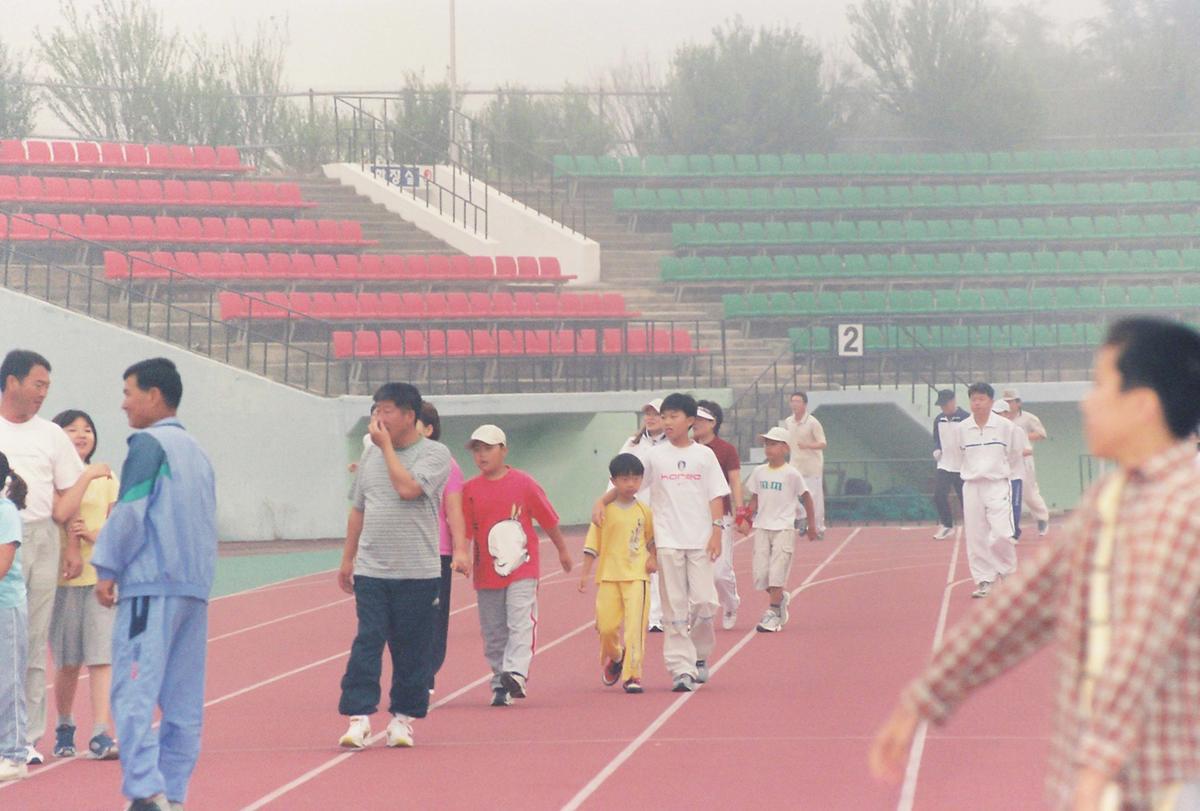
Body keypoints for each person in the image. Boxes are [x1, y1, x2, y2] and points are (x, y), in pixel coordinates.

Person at [870, 317, 1200, 811]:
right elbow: (1024, 604)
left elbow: (1141, 645)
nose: (1085, 402)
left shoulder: (1182, 507)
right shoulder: (1111, 497)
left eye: (1099, 386)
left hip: (1163, 785)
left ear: (1142, 405)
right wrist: (926, 695)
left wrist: (1097, 767)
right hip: (1104, 782)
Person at [91, 358, 217, 811]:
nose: (123, 404)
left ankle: (146, 790)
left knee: (131, 690)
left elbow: (129, 514)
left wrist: (106, 567)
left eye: (128, 393)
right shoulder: (198, 452)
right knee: (183, 703)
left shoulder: (148, 445)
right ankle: (174, 795)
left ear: (154, 396)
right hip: (194, 589)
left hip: (152, 588)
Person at [337, 383, 452, 751]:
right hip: (373, 570)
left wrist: (385, 447)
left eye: (387, 411)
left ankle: (403, 719)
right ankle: (359, 717)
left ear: (409, 415)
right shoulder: (370, 457)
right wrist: (347, 558)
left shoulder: (435, 454)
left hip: (417, 571)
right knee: (367, 641)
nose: (379, 418)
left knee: (411, 649)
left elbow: (408, 489)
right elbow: (359, 509)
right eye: (376, 411)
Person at [593, 392, 730, 693]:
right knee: (674, 607)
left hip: (700, 540)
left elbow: (716, 495)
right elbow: (629, 483)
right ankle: (681, 668)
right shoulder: (655, 456)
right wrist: (602, 501)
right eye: (664, 416)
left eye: (673, 416)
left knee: (706, 604)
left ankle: (700, 654)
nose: (667, 422)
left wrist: (717, 530)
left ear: (690, 421)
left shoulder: (704, 456)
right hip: (667, 540)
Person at [0, 349, 95, 765]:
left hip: (38, 536)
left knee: (31, 642)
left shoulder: (50, 436)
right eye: (38, 384)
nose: (43, 394)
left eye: (47, 388)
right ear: (12, 382)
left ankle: (26, 738)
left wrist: (71, 546)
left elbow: (68, 495)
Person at [462, 424, 573, 706]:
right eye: (477, 450)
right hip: (487, 572)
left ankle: (517, 673)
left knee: (520, 620)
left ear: (504, 450)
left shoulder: (523, 483)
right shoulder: (469, 490)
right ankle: (501, 681)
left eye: (488, 448)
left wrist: (562, 550)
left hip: (523, 569)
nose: (482, 455)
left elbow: (548, 519)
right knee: (494, 632)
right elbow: (463, 530)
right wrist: (461, 554)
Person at [49, 409, 120, 760]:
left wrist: (92, 536)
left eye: (87, 429)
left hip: (99, 576)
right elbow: (60, 513)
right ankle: (64, 725)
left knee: (101, 656)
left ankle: (100, 731)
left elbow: (117, 522)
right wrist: (84, 475)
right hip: (62, 579)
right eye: (72, 429)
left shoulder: (107, 478)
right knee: (67, 660)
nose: (81, 434)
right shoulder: (50, 476)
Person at [578, 453, 655, 694]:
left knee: (634, 628)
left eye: (635, 479)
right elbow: (593, 544)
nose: (630, 484)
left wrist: (653, 558)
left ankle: (633, 675)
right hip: (609, 576)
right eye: (624, 479)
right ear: (614, 481)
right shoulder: (604, 511)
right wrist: (584, 573)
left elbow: (651, 540)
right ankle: (616, 655)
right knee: (606, 627)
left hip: (637, 576)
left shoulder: (644, 511)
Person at [736, 427, 816, 633]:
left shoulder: (791, 474)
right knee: (761, 575)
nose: (768, 448)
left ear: (785, 448)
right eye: (766, 444)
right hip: (763, 527)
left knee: (777, 572)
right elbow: (754, 499)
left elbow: (806, 497)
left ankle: (772, 612)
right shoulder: (759, 472)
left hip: (783, 528)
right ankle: (780, 598)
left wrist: (811, 525)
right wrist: (745, 518)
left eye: (773, 444)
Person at [416, 401, 470, 695]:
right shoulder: (397, 460)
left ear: (428, 429)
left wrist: (460, 550)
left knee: (434, 617)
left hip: (437, 552)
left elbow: (454, 510)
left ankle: (426, 674)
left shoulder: (448, 465)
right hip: (404, 551)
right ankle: (415, 671)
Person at [954, 382, 1024, 599]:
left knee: (1002, 533)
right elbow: (958, 457)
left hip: (997, 484)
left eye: (981, 399)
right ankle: (985, 580)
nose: (977, 403)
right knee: (976, 536)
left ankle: (1008, 573)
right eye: (973, 399)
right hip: (972, 486)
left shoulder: (1006, 427)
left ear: (991, 401)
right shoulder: (962, 428)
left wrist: (1002, 474)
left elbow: (1014, 455)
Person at [618, 398, 667, 633]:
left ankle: (668, 613)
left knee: (667, 564)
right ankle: (652, 615)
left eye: (656, 413)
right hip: (637, 512)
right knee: (642, 564)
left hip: (666, 512)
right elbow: (616, 473)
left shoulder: (672, 445)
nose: (650, 417)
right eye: (647, 413)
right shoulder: (633, 443)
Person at [694, 400, 742, 630]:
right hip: (694, 517)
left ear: (714, 423)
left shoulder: (726, 450)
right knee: (697, 570)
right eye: (695, 419)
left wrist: (741, 512)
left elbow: (735, 481)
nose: (697, 423)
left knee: (720, 572)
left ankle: (731, 603)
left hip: (721, 516)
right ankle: (701, 614)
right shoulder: (687, 448)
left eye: (702, 419)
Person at [0, 453, 29, 782]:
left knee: (8, 681)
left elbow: (2, 564)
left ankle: (14, 754)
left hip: (5, 608)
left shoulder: (6, 512)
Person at [1003, 389, 1052, 535]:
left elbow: (1041, 434)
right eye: (1005, 401)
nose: (1008, 404)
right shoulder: (1000, 419)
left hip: (1024, 459)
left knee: (1029, 492)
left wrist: (1022, 437)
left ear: (1018, 403)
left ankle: (1042, 519)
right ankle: (1008, 526)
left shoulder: (1028, 418)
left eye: (1011, 401)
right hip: (1006, 460)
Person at [782, 391, 827, 539]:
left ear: (805, 404)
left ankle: (818, 528)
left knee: (814, 500)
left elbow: (823, 443)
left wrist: (808, 445)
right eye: (792, 401)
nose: (794, 404)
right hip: (795, 465)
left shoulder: (813, 422)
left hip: (812, 466)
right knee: (788, 493)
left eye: (798, 401)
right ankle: (802, 517)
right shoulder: (788, 421)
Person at [931, 389, 969, 540]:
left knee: (966, 499)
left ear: (953, 401)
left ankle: (975, 527)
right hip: (945, 465)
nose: (943, 408)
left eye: (945, 404)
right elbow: (936, 438)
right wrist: (936, 449)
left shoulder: (966, 418)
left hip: (963, 466)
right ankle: (947, 525)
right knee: (938, 495)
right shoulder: (939, 419)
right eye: (941, 406)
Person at [992, 399, 1031, 542]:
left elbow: (1024, 450)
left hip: (1014, 474)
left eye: (999, 413)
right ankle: (1002, 531)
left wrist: (1008, 458)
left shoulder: (1017, 431)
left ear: (1007, 414)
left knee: (1014, 505)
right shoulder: (992, 431)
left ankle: (1014, 533)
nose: (996, 416)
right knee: (998, 506)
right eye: (994, 413)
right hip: (998, 476)